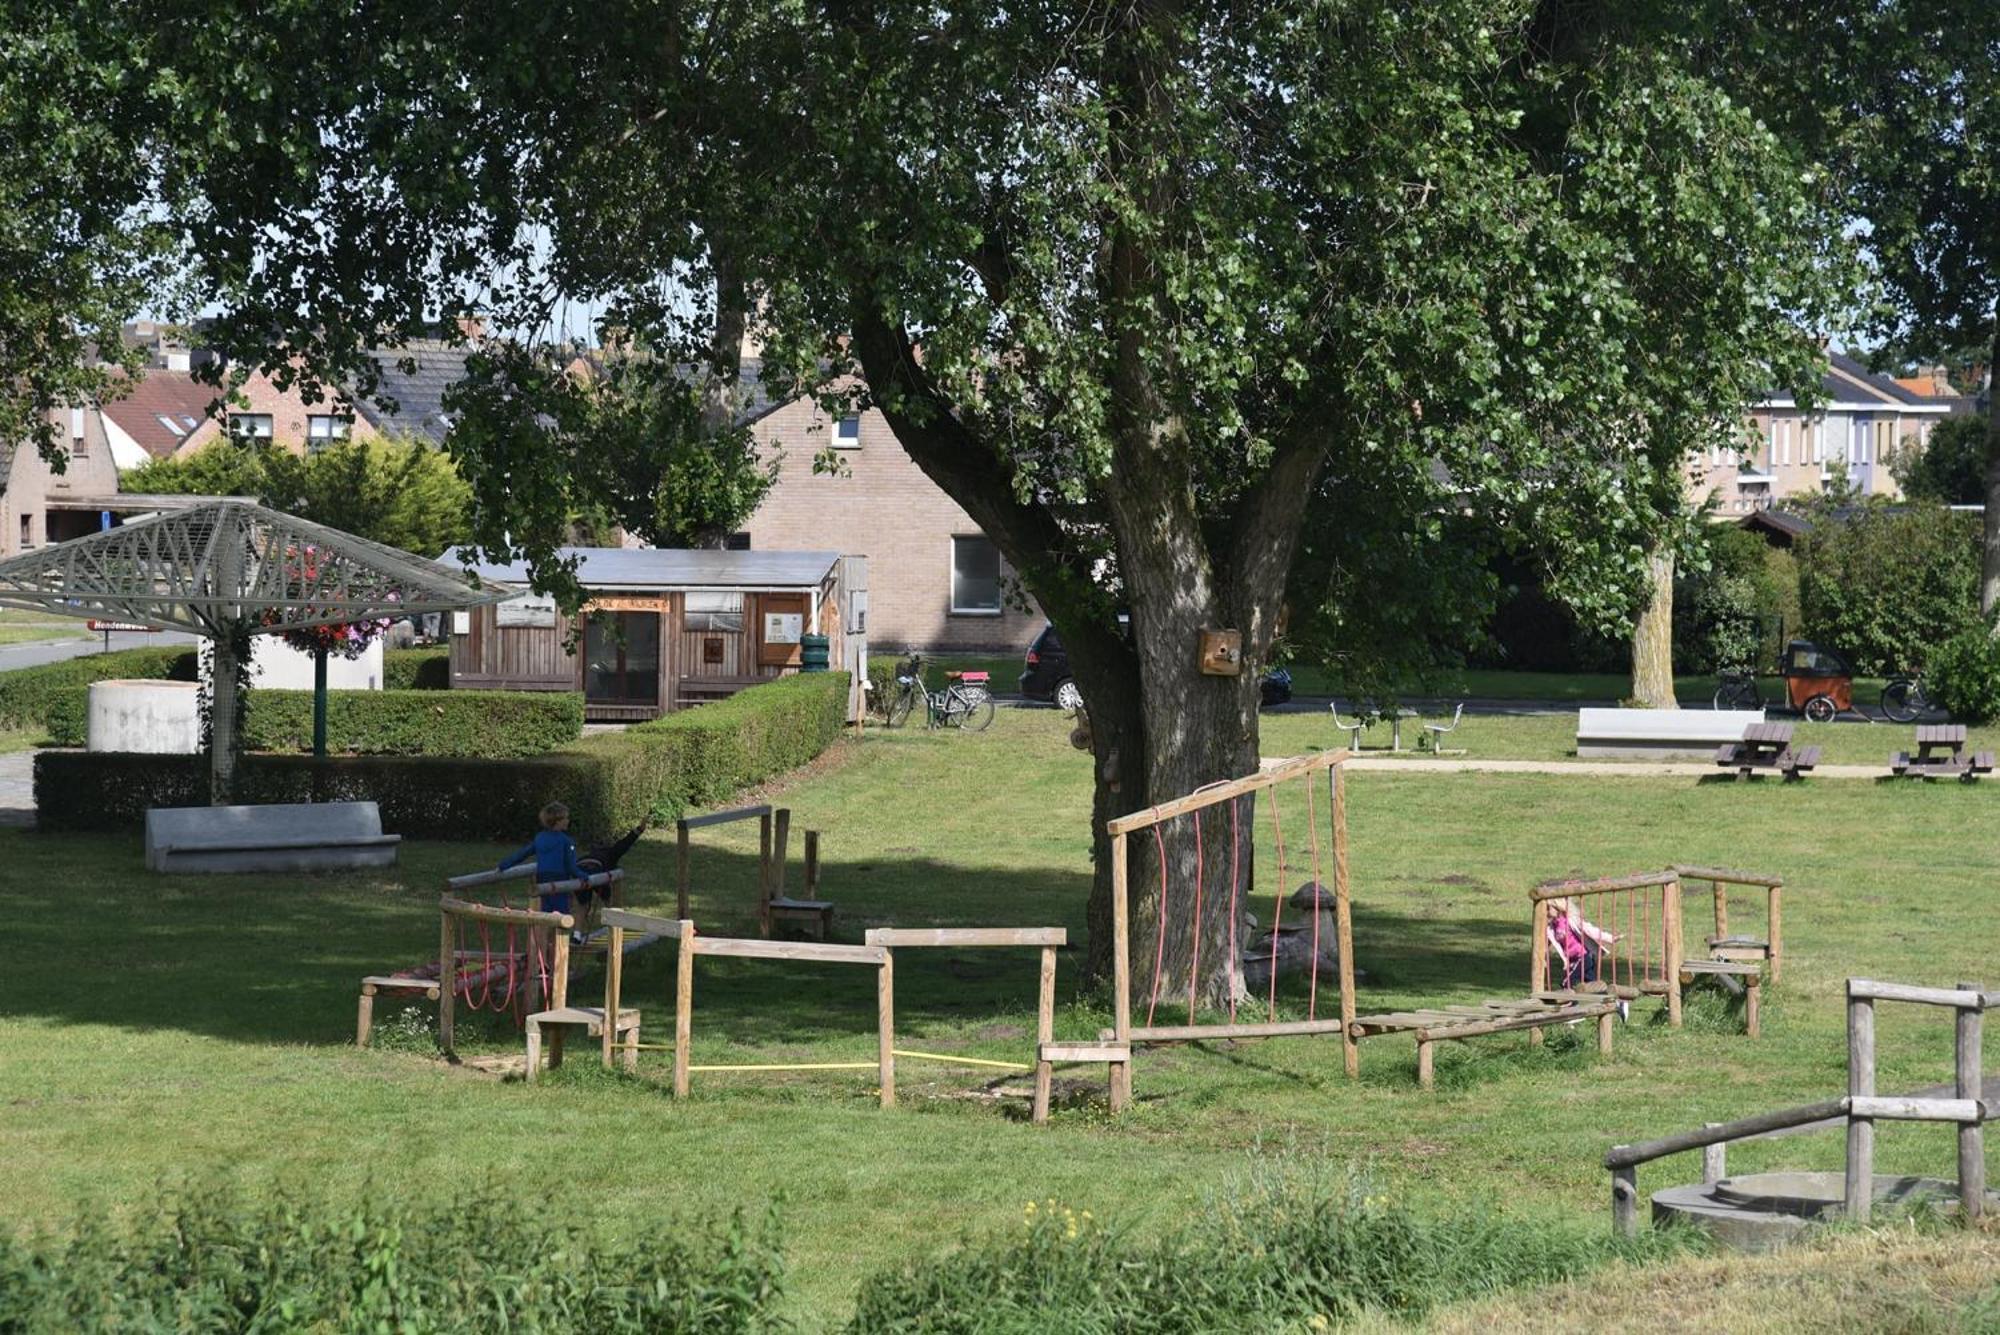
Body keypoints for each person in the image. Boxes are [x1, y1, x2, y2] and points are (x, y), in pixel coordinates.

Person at [500, 802, 586, 937]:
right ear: (558, 821)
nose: (568, 821)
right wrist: (583, 876)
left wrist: (504, 864)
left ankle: (542, 947)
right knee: (561, 915)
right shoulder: (566, 841)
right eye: (565, 818)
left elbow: (523, 853)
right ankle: (557, 949)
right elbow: (570, 866)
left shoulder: (540, 838)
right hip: (559, 880)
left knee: (545, 912)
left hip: (542, 878)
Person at [1545, 896, 1620, 989]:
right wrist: (1543, 958)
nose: (1546, 911)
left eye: (1548, 908)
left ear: (1557, 907)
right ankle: (1606, 1001)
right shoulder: (1551, 927)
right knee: (1592, 985)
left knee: (1567, 981)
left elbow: (1591, 930)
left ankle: (1568, 999)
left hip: (1583, 957)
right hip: (1572, 959)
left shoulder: (1571, 921)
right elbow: (1546, 944)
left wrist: (1611, 938)